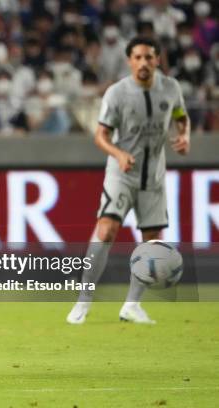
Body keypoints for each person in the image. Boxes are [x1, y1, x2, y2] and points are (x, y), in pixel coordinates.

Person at [66, 37, 190, 325]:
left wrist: (184, 136)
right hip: (121, 174)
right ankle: (83, 300)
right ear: (129, 61)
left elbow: (181, 116)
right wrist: (118, 154)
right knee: (106, 230)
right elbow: (100, 135)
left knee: (153, 242)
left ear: (158, 60)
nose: (144, 63)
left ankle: (131, 306)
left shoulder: (171, 88)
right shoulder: (117, 93)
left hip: (154, 177)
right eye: (138, 57)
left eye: (149, 57)